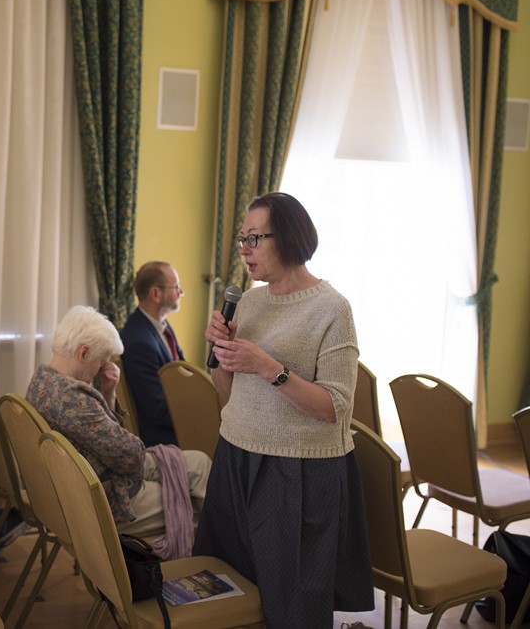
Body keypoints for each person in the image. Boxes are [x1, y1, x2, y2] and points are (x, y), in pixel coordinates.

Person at [194, 192, 373, 627]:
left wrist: (269, 367)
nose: (245, 249)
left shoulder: (332, 309)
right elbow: (229, 392)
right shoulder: (248, 303)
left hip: (298, 471)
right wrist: (220, 353)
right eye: (242, 239)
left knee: (293, 607)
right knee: (226, 587)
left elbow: (335, 408)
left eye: (255, 238)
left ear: (290, 238)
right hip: (235, 456)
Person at [27, 305, 210, 553]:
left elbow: (104, 440)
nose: (101, 369)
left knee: (200, 463)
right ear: (83, 352)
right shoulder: (73, 399)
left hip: (94, 479)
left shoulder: (42, 381)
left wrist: (109, 394)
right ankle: (210, 563)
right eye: (101, 362)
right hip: (108, 500)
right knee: (194, 501)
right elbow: (132, 457)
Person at [119, 261, 186, 447]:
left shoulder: (161, 326)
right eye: (176, 287)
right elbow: (158, 411)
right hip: (163, 439)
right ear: (155, 294)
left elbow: (184, 371)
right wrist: (200, 412)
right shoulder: (139, 342)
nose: (181, 292)